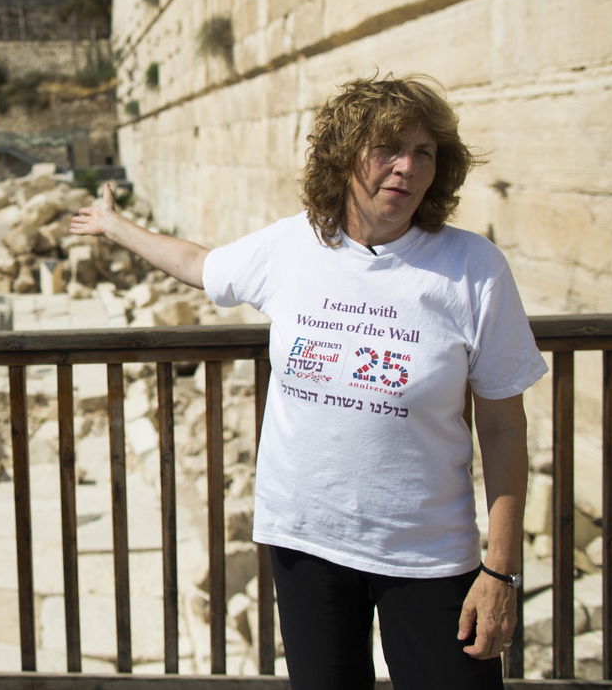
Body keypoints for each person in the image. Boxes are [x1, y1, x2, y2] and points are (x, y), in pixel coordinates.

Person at [70, 74, 545, 689]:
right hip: (304, 542)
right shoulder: (292, 245)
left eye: (423, 152)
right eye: (387, 149)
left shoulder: (474, 269)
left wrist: (500, 571)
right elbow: (198, 264)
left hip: (426, 554)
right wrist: (114, 225)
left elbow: (503, 429)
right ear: (343, 157)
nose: (406, 168)